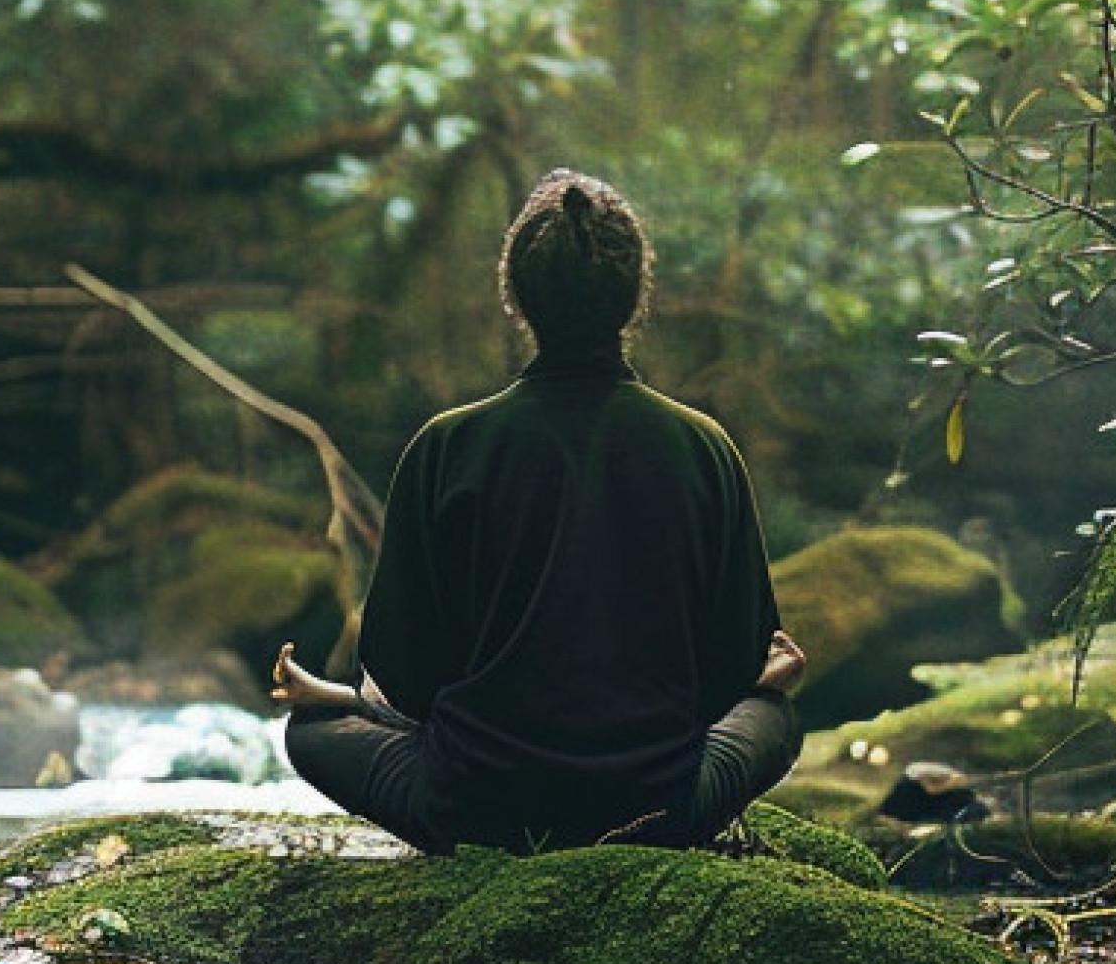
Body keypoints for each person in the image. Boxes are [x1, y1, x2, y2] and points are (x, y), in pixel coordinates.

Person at [271, 168, 804, 854]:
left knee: (308, 734)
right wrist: (756, 687)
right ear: (635, 292)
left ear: (516, 294)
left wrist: (349, 702)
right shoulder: (704, 448)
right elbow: (731, 669)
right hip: (655, 808)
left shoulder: (445, 447)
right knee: (775, 717)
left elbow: (406, 679)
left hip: (476, 808)